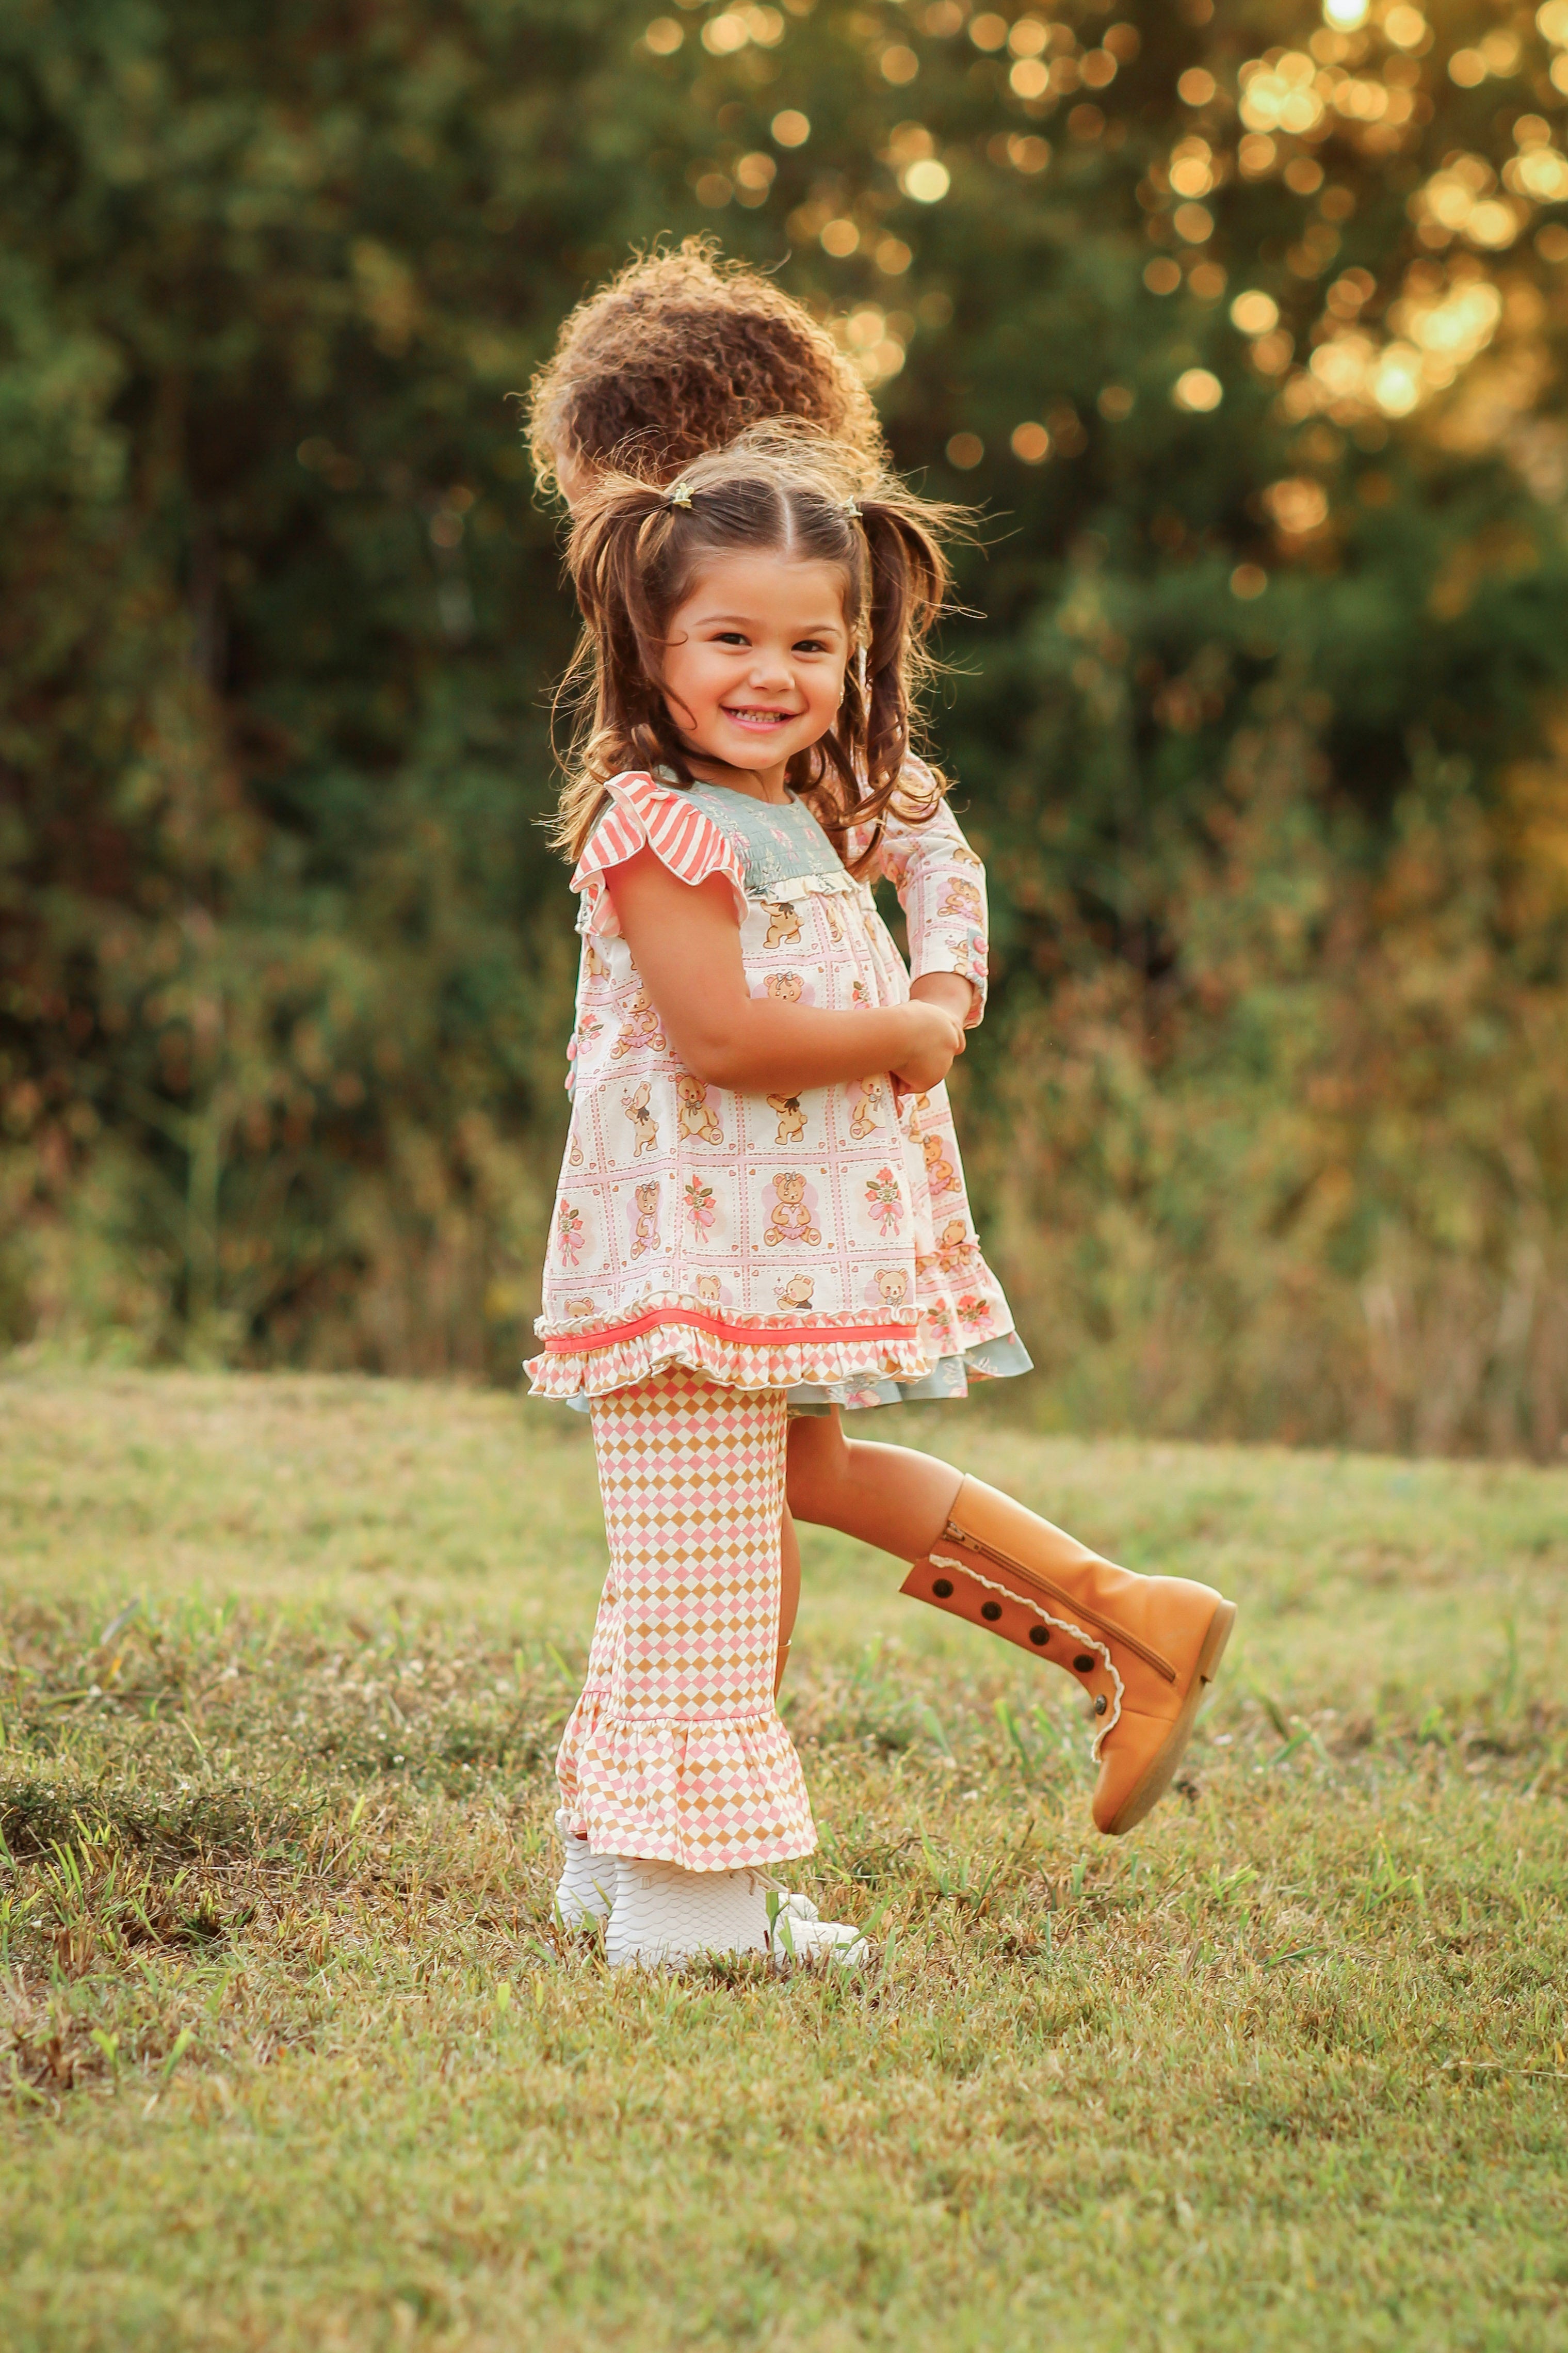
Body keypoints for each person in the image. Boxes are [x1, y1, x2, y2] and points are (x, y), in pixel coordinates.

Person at [525, 421, 1235, 1969]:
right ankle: (689, 1911)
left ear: (856, 653)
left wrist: (948, 987)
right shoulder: (662, 822)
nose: (771, 674)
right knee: (697, 1575)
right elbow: (717, 1036)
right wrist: (904, 1035)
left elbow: (948, 857)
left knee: (719, 1537)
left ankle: (613, 1872)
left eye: (811, 643)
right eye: (730, 638)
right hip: (683, 1254)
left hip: (776, 1261)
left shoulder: (825, 787)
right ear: (653, 646)